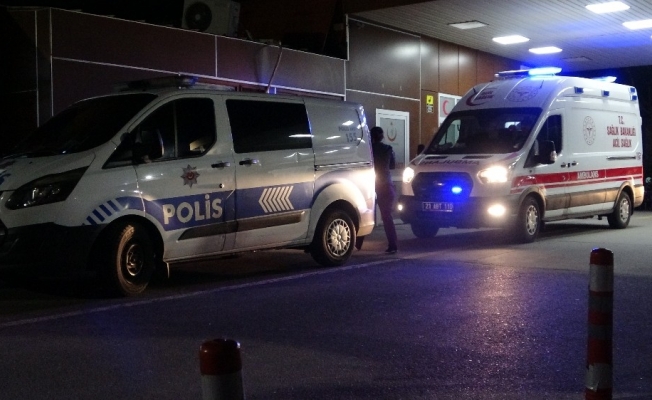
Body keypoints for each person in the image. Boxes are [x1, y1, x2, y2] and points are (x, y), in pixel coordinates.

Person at [357, 126, 398, 254]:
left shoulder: (368, 150)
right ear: (382, 136)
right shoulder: (388, 149)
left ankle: (358, 243)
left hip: (371, 185)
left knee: (364, 212)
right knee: (387, 216)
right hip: (386, 185)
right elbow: (392, 166)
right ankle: (393, 245)